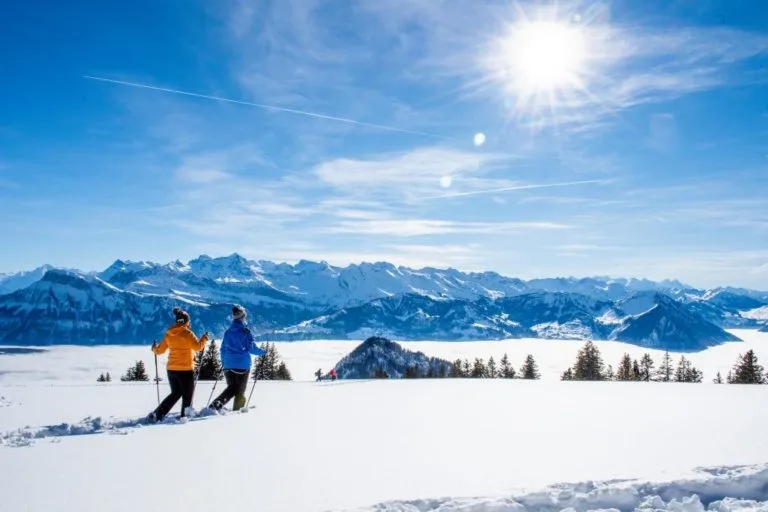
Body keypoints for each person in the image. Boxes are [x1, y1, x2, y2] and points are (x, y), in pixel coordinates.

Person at [147, 307, 208, 422]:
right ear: (186, 321)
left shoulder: (169, 333)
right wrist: (204, 339)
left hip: (171, 370)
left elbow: (160, 350)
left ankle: (157, 414)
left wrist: (154, 348)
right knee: (187, 395)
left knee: (175, 393)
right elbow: (198, 347)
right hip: (185, 369)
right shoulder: (187, 333)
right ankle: (184, 417)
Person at [210, 304, 266, 412]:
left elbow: (222, 349)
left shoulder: (227, 332)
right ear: (242, 317)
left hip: (228, 365)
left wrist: (224, 361)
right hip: (242, 366)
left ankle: (217, 405)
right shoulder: (245, 332)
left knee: (231, 388)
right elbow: (251, 348)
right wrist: (263, 352)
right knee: (240, 391)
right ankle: (236, 412)